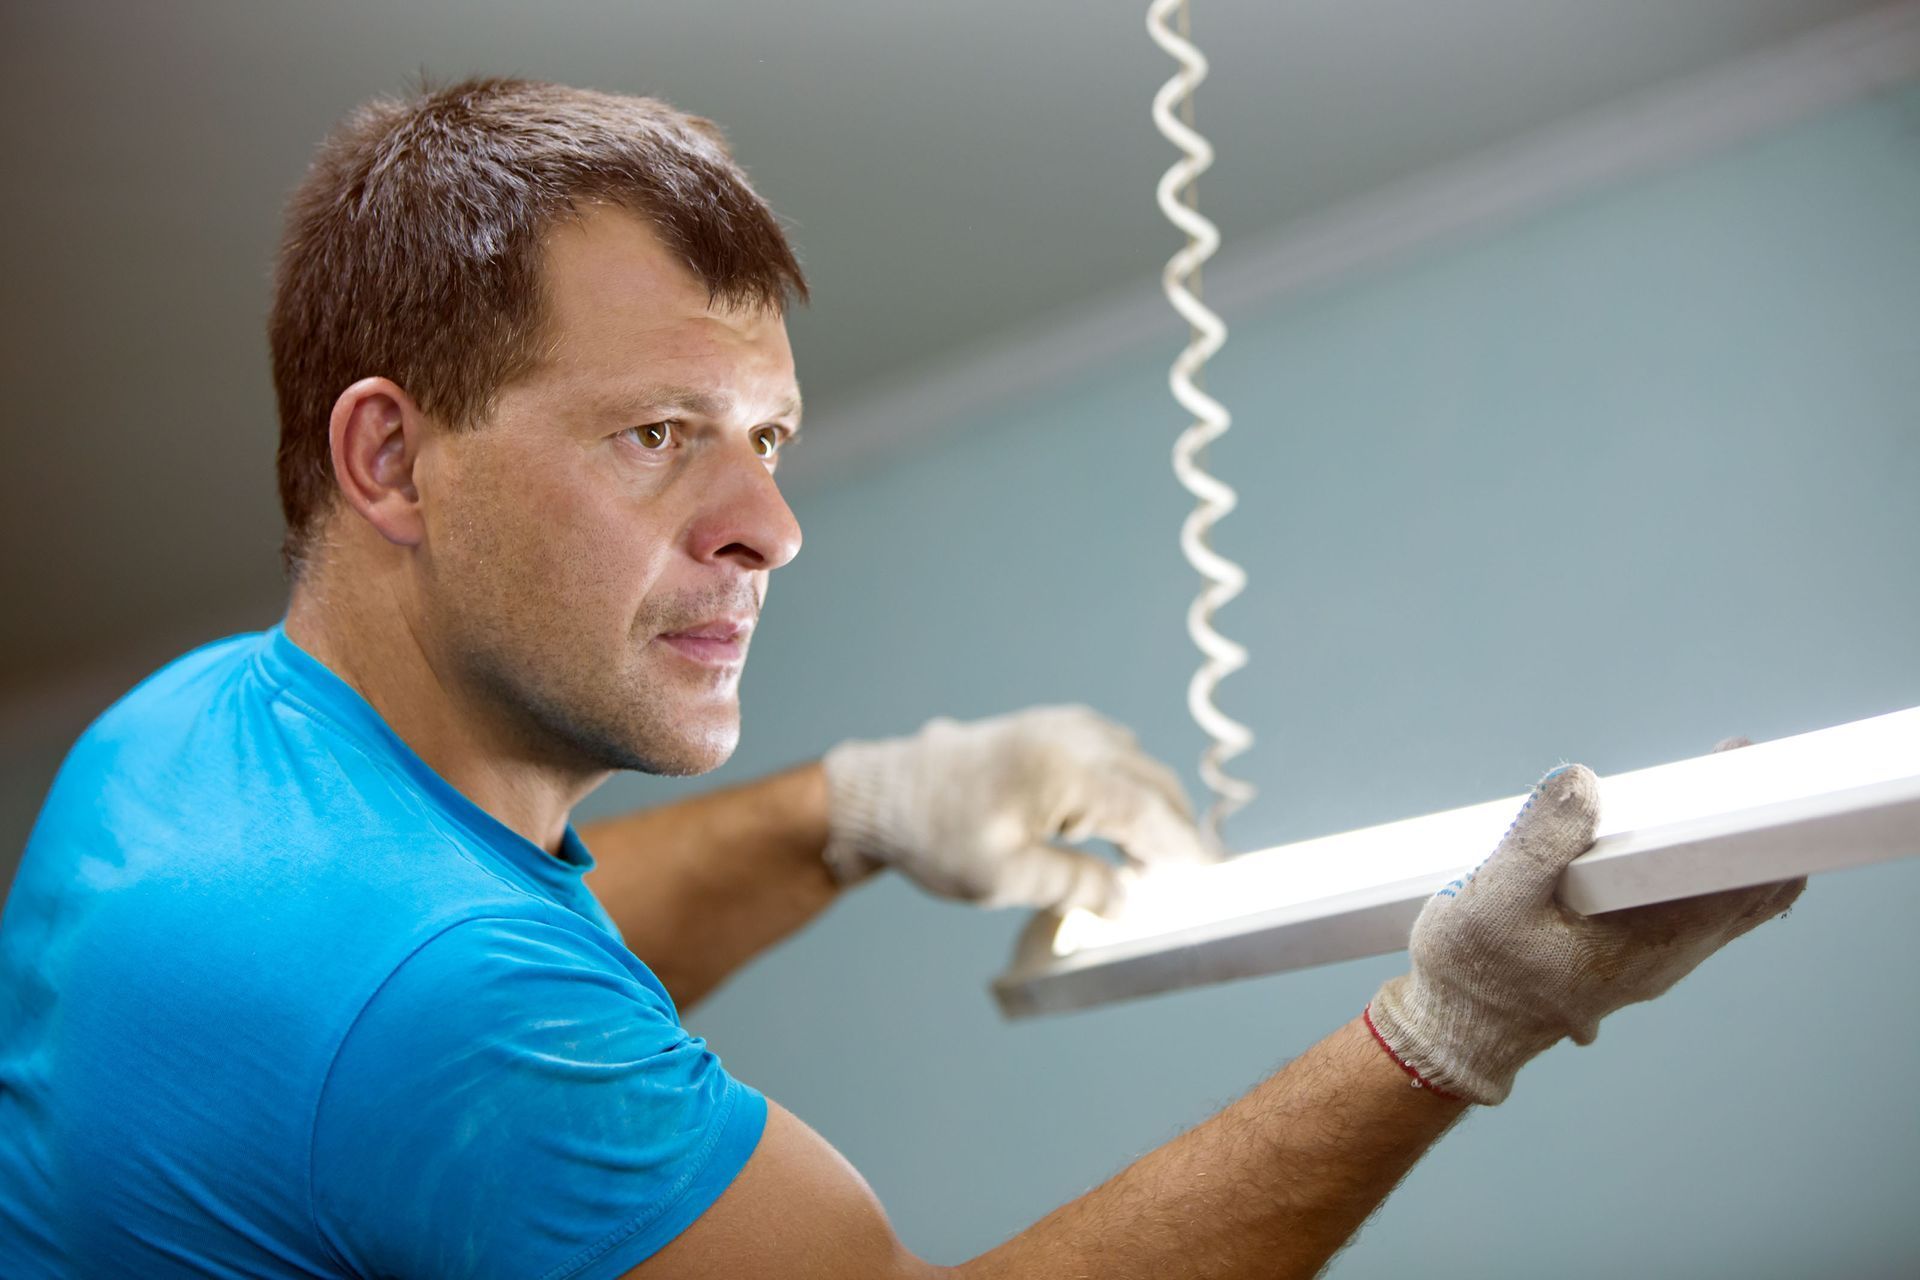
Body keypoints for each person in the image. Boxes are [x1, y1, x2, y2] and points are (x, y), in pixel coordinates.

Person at [0, 77, 1804, 1280]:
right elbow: (454, 1016)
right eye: (657, 433)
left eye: (768, 435)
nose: (770, 524)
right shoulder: (447, 1011)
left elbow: (485, 969)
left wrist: (860, 813)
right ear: (392, 461)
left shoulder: (186, 746)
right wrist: (1458, 1025)